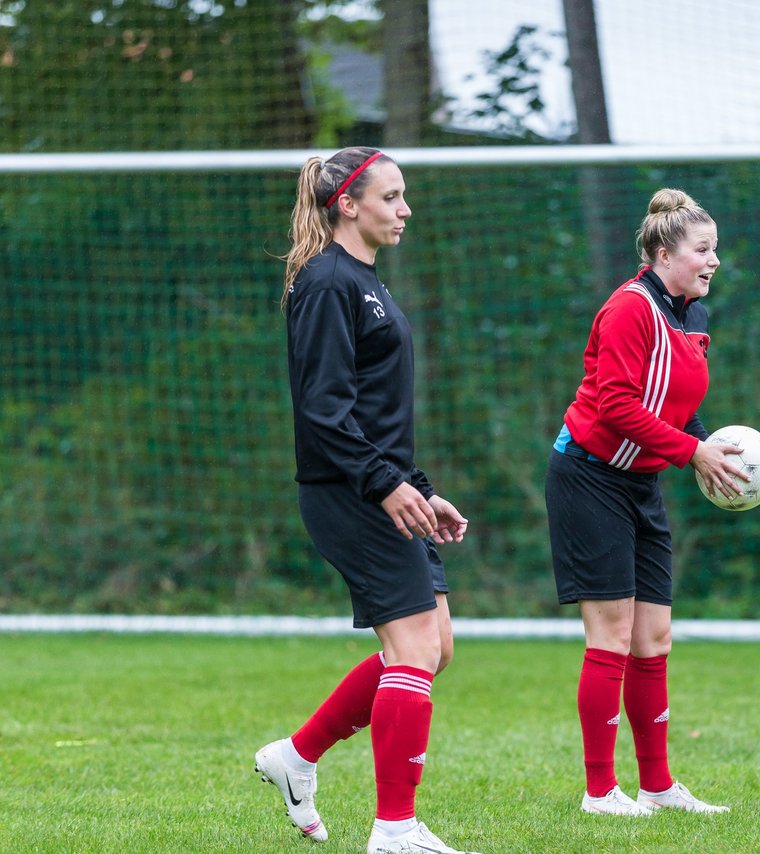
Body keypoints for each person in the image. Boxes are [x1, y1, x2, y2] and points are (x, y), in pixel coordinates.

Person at [255, 147, 480, 854]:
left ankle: (295, 757)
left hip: (384, 486)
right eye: (391, 197)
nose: (404, 208)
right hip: (350, 492)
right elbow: (324, 409)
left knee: (433, 648)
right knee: (411, 649)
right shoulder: (327, 283)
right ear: (348, 204)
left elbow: (378, 413)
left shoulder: (364, 282)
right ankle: (394, 829)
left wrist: (422, 490)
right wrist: (385, 486)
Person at [544, 188, 744, 817]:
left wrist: (708, 444)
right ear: (662, 251)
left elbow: (676, 400)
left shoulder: (692, 314)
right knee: (612, 633)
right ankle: (600, 790)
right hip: (588, 477)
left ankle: (657, 785)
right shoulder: (630, 309)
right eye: (702, 249)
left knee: (653, 637)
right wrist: (692, 453)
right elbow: (616, 406)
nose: (714, 261)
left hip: (640, 482)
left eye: (715, 249)